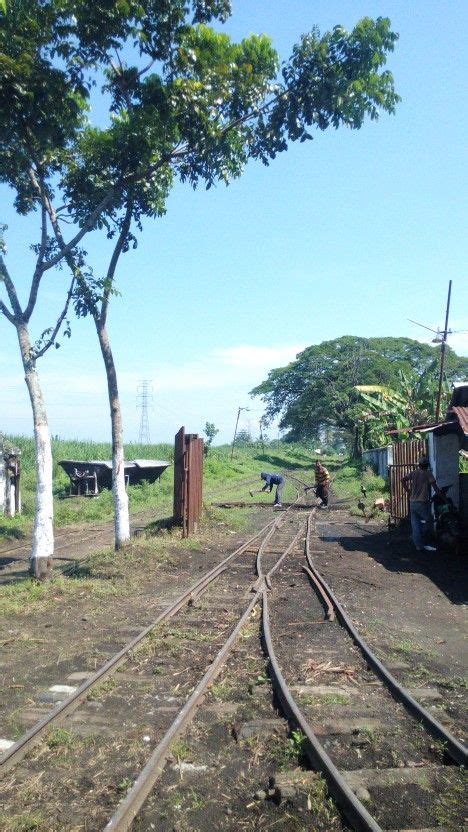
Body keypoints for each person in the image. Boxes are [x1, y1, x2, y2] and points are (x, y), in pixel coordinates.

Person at [402, 457, 442, 552]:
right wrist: (442, 495)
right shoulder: (428, 474)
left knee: (415, 524)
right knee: (429, 520)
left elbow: (402, 480)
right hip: (422, 503)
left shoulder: (414, 473)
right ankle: (426, 538)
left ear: (419, 465)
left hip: (412, 503)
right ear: (427, 465)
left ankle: (418, 545)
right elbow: (435, 487)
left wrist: (408, 491)